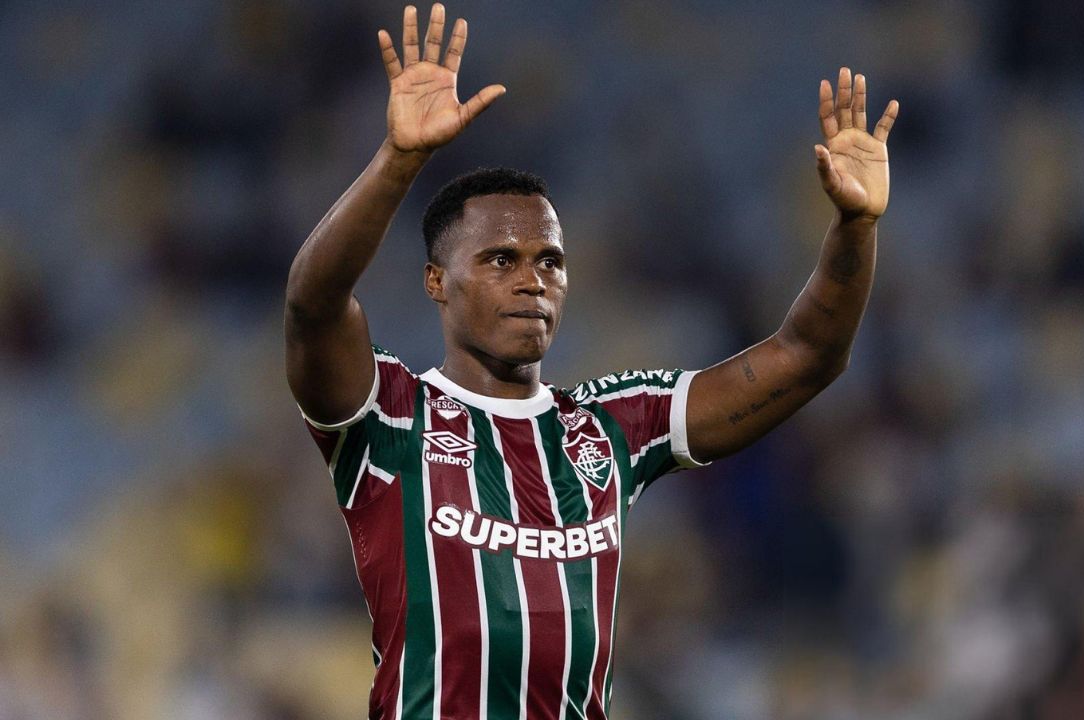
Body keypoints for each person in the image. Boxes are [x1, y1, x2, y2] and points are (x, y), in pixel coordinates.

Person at [284, 4, 898, 718]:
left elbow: (809, 355)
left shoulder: (611, 427)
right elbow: (313, 305)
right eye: (500, 260)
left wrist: (856, 226)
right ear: (436, 282)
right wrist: (399, 160)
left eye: (550, 261)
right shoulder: (391, 413)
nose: (531, 281)